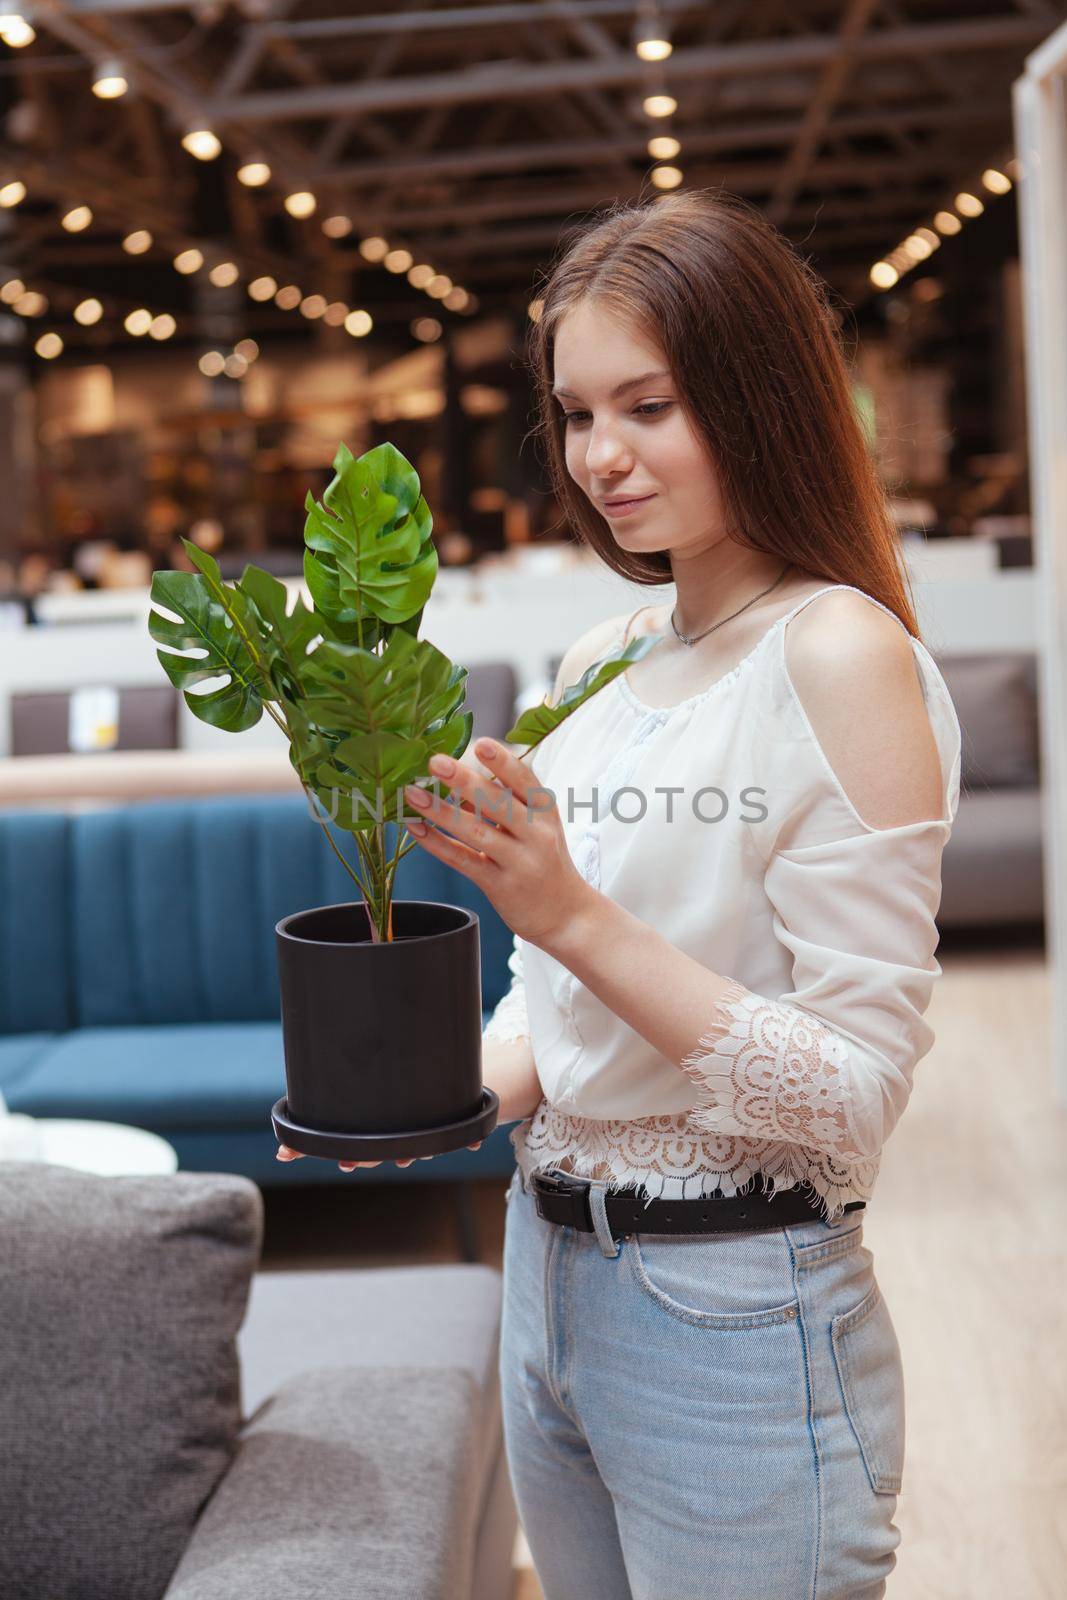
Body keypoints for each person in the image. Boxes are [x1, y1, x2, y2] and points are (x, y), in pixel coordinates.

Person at [279, 188, 962, 1599]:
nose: (601, 457)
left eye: (647, 406)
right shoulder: (609, 650)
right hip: (549, 1276)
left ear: (758, 393)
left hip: (730, 1311)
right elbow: (557, 1017)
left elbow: (854, 1094)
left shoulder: (839, 650)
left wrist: (570, 908)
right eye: (578, 414)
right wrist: (422, 1098)